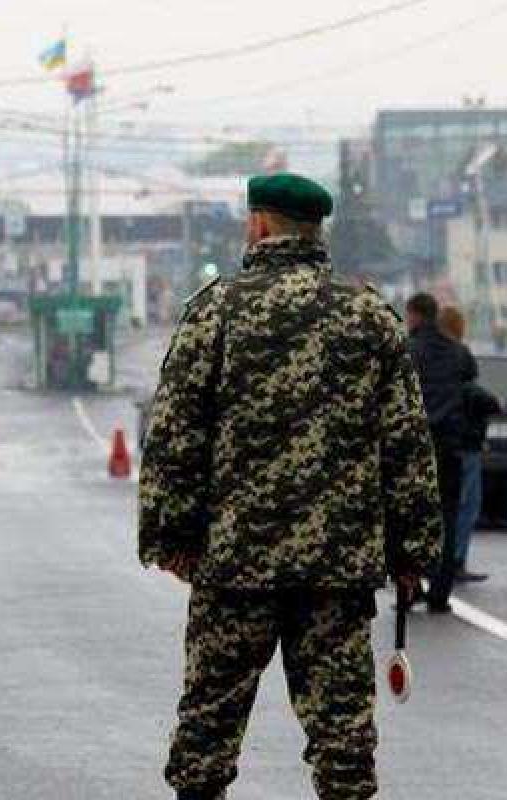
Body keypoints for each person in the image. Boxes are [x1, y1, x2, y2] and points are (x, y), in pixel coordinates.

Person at [139, 172, 443, 800]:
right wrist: (413, 551)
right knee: (342, 733)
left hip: (234, 562)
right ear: (315, 228)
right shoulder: (369, 315)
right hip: (338, 566)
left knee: (208, 725)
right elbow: (407, 442)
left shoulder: (217, 310)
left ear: (257, 223)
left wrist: (171, 538)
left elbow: (175, 434)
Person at [405, 293, 473, 612]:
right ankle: (440, 591)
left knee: (409, 516)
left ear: (413, 315)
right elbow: (470, 389)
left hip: (415, 448)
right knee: (447, 517)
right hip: (449, 447)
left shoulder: (408, 351)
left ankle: (409, 585)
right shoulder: (459, 354)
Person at [439, 307, 501, 582]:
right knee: (467, 506)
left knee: (446, 506)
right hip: (466, 442)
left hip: (442, 441)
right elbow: (471, 391)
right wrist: (492, 404)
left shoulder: (429, 356)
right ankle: (456, 559)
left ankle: (440, 561)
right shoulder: (459, 356)